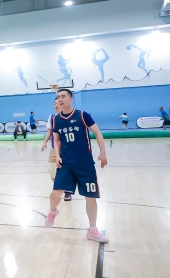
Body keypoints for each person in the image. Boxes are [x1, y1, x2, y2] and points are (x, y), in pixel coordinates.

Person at [45, 89, 109, 243]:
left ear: (71, 99)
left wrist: (103, 153)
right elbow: (56, 140)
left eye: (63, 96)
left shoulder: (82, 115)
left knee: (90, 197)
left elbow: (98, 133)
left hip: (85, 164)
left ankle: (92, 230)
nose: (60, 99)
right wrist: (58, 156)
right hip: (66, 164)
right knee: (56, 192)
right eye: (58, 97)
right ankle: (52, 211)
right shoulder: (56, 120)